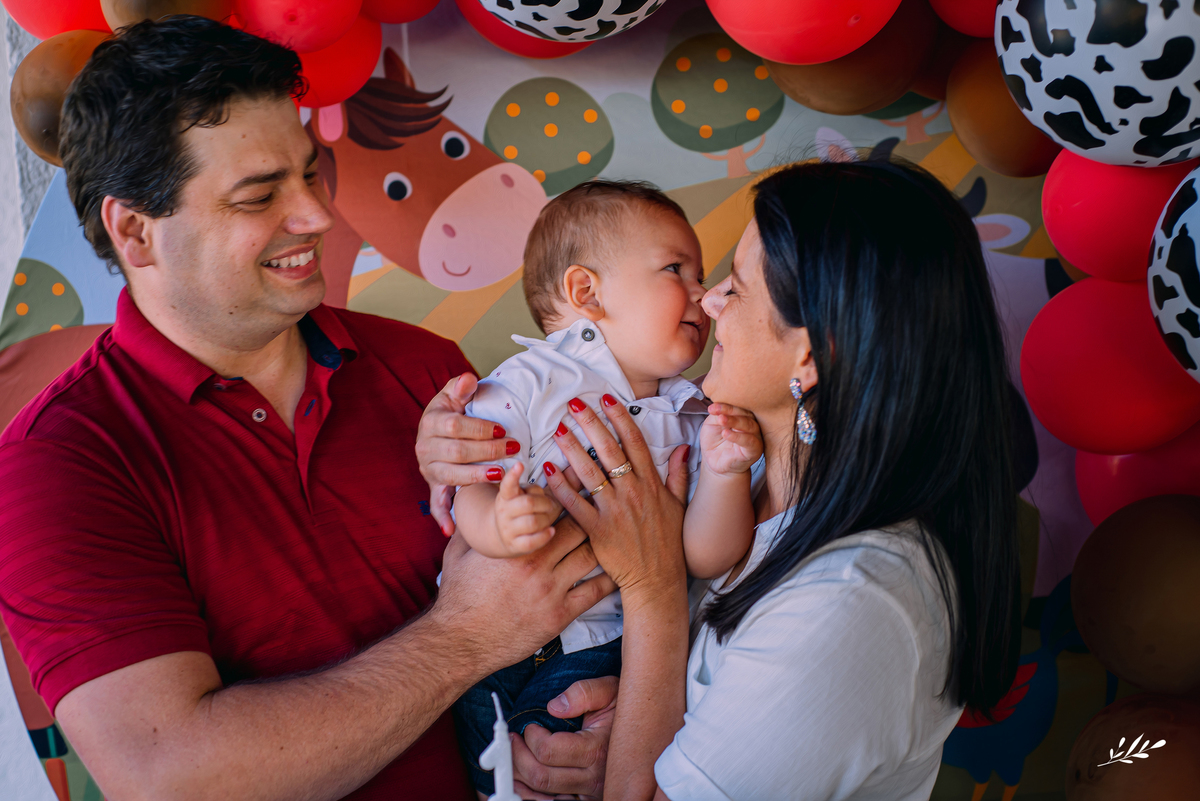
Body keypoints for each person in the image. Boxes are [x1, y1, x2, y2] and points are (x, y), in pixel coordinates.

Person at [0, 17, 612, 801]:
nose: (318, 215)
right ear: (136, 232)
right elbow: (171, 777)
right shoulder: (57, 463)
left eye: (309, 173)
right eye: (260, 195)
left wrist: (589, 718)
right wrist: (463, 637)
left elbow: (554, 601)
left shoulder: (425, 368)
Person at [417, 158, 1022, 799]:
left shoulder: (851, 604)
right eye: (685, 274)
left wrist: (651, 588)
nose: (707, 300)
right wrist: (454, 451)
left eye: (734, 287)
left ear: (810, 356)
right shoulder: (740, 456)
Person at [449, 180, 762, 796]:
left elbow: (704, 556)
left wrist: (726, 473)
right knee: (488, 759)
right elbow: (471, 483)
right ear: (586, 292)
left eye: (700, 275)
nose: (703, 295)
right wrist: (498, 526)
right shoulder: (530, 380)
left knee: (552, 754)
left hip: (603, 646)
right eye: (676, 270)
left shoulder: (694, 413)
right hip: (493, 634)